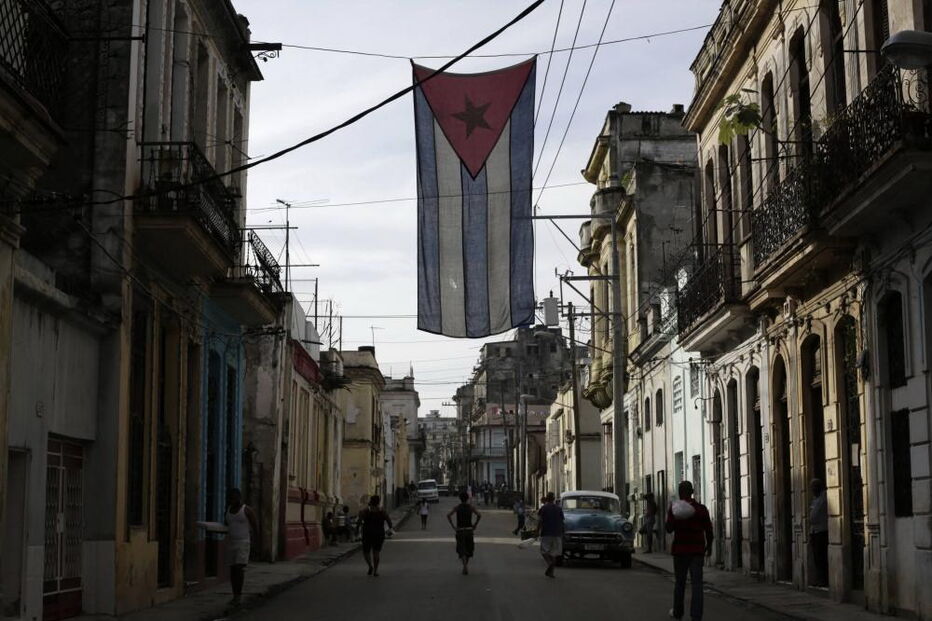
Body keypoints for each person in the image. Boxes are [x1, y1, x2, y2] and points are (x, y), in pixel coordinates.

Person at [665, 481, 713, 621]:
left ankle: (678, 612)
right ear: (692, 492)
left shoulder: (675, 509)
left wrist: (672, 517)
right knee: (697, 584)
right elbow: (709, 530)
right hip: (697, 551)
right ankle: (696, 616)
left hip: (680, 551)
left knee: (680, 583)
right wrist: (708, 546)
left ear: (680, 493)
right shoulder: (701, 509)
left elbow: (669, 529)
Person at [224, 488, 258, 607]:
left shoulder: (246, 510)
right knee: (233, 570)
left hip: (243, 543)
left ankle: (238, 596)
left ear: (239, 497)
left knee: (239, 569)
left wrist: (255, 544)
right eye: (231, 498)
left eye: (235, 498)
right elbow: (227, 525)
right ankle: (235, 595)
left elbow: (255, 526)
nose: (233, 500)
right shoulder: (228, 510)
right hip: (232, 543)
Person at [447, 491, 481, 575]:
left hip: (460, 530)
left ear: (460, 499)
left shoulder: (457, 507)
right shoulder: (470, 507)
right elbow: (479, 515)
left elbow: (448, 515)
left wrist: (453, 526)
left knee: (461, 549)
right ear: (467, 499)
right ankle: (465, 565)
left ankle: (464, 565)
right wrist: (475, 525)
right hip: (469, 530)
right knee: (469, 549)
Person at [358, 495, 393, 576]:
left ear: (371, 501)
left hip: (367, 534)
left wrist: (357, 530)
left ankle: (370, 566)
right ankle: (376, 571)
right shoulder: (382, 511)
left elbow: (359, 521)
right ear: (378, 502)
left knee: (366, 552)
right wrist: (390, 529)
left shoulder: (366, 511)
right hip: (379, 534)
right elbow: (389, 521)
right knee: (376, 552)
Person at [537, 492, 564, 578]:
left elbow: (540, 521)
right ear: (553, 499)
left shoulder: (543, 508)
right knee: (553, 553)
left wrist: (537, 531)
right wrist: (562, 533)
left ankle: (549, 563)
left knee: (544, 551)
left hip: (546, 533)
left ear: (546, 499)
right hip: (557, 533)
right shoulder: (559, 509)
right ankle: (551, 572)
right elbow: (562, 522)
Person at [809, 479, 828, 587]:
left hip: (821, 531)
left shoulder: (823, 498)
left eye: (814, 487)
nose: (812, 490)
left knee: (821, 558)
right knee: (817, 558)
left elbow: (815, 515)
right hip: (815, 532)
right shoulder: (815, 499)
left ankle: (823, 580)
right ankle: (819, 579)